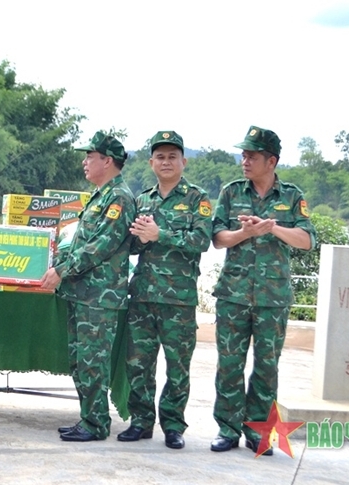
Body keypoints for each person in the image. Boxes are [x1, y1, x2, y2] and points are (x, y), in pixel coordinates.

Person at [209, 126, 316, 455]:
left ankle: (257, 431)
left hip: (273, 298)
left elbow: (308, 240)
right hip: (233, 294)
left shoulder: (292, 196)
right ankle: (227, 429)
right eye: (243, 155)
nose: (245, 160)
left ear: (271, 161)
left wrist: (272, 228)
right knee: (229, 364)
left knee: (267, 367)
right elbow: (217, 237)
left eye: (252, 156)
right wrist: (244, 233)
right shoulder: (231, 192)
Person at [40, 131, 136, 442]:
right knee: (80, 360)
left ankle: (96, 425)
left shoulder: (119, 197)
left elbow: (101, 246)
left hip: (100, 297)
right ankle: (88, 418)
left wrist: (61, 270)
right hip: (82, 293)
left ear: (107, 161)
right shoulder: (100, 194)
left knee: (93, 362)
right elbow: (80, 241)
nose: (84, 162)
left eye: (89, 156)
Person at [119, 131, 211, 449]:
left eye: (173, 156)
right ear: (151, 163)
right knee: (138, 364)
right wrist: (140, 239)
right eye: (160, 156)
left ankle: (173, 425)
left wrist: (162, 234)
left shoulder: (197, 198)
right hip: (143, 295)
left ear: (183, 161)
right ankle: (141, 421)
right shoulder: (142, 200)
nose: (166, 162)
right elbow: (129, 244)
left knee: (178, 366)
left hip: (178, 299)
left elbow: (202, 241)